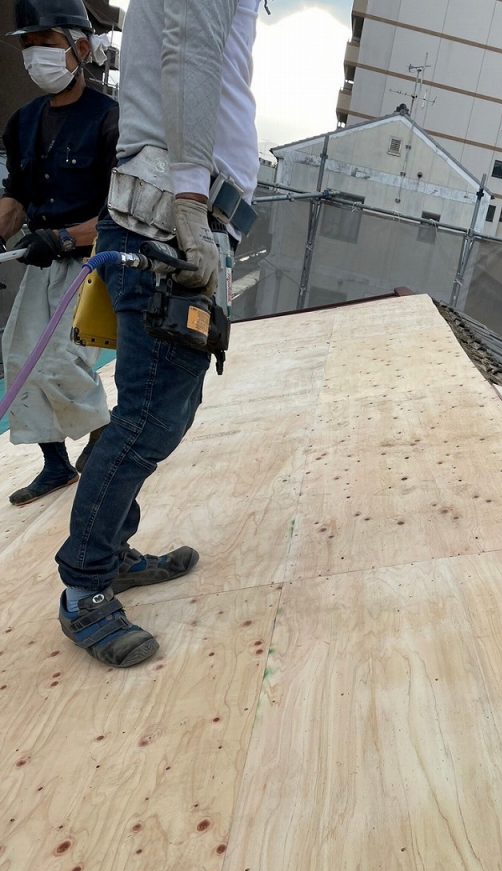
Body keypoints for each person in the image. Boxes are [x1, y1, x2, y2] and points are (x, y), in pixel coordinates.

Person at [56, 0, 261, 668]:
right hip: (169, 221)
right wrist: (193, 203)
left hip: (174, 221)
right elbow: (190, 54)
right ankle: (84, 587)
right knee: (148, 419)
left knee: (164, 411)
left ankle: (110, 552)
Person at [0, 0, 116, 506]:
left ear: (81, 49)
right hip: (43, 260)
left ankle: (105, 436)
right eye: (27, 46)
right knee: (20, 358)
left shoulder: (111, 120)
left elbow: (122, 212)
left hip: (94, 262)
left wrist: (67, 237)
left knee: (60, 360)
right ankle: (56, 466)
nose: (33, 56)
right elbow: (16, 199)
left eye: (45, 44)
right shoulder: (23, 122)